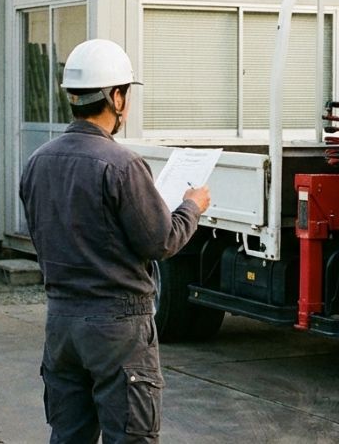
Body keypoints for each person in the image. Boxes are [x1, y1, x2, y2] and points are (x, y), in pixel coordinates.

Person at [19, 39, 210, 444]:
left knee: (69, 436)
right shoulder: (122, 164)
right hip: (117, 329)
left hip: (62, 325)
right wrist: (192, 205)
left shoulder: (38, 162)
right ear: (116, 97)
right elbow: (162, 241)